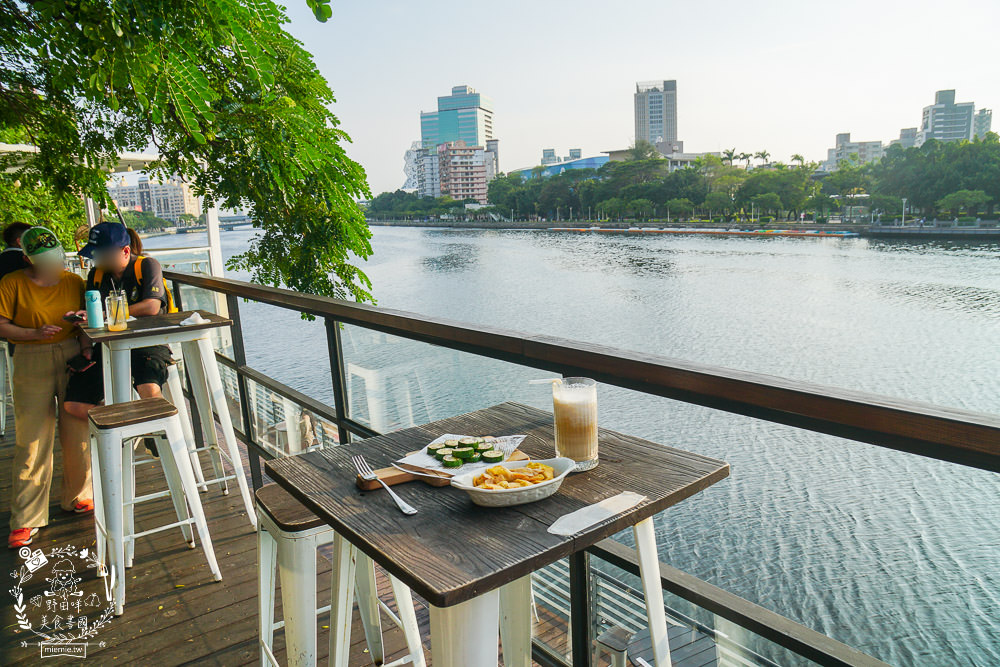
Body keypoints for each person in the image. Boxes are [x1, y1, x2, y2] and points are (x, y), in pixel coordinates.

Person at [0, 227, 92, 548]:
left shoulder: (74, 282)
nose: (55, 265)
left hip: (71, 354)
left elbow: (92, 318)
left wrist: (84, 332)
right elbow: (1, 324)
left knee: (78, 431)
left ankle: (78, 495)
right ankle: (26, 518)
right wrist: (33, 333)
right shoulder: (11, 283)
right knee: (33, 438)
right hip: (30, 355)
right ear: (26, 259)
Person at [64, 222, 172, 422]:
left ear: (124, 251)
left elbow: (151, 307)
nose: (98, 260)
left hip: (148, 343)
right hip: (108, 346)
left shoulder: (146, 265)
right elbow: (90, 313)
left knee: (149, 390)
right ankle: (126, 425)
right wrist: (86, 347)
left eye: (103, 254)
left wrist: (106, 314)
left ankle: (159, 432)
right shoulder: (95, 276)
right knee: (73, 405)